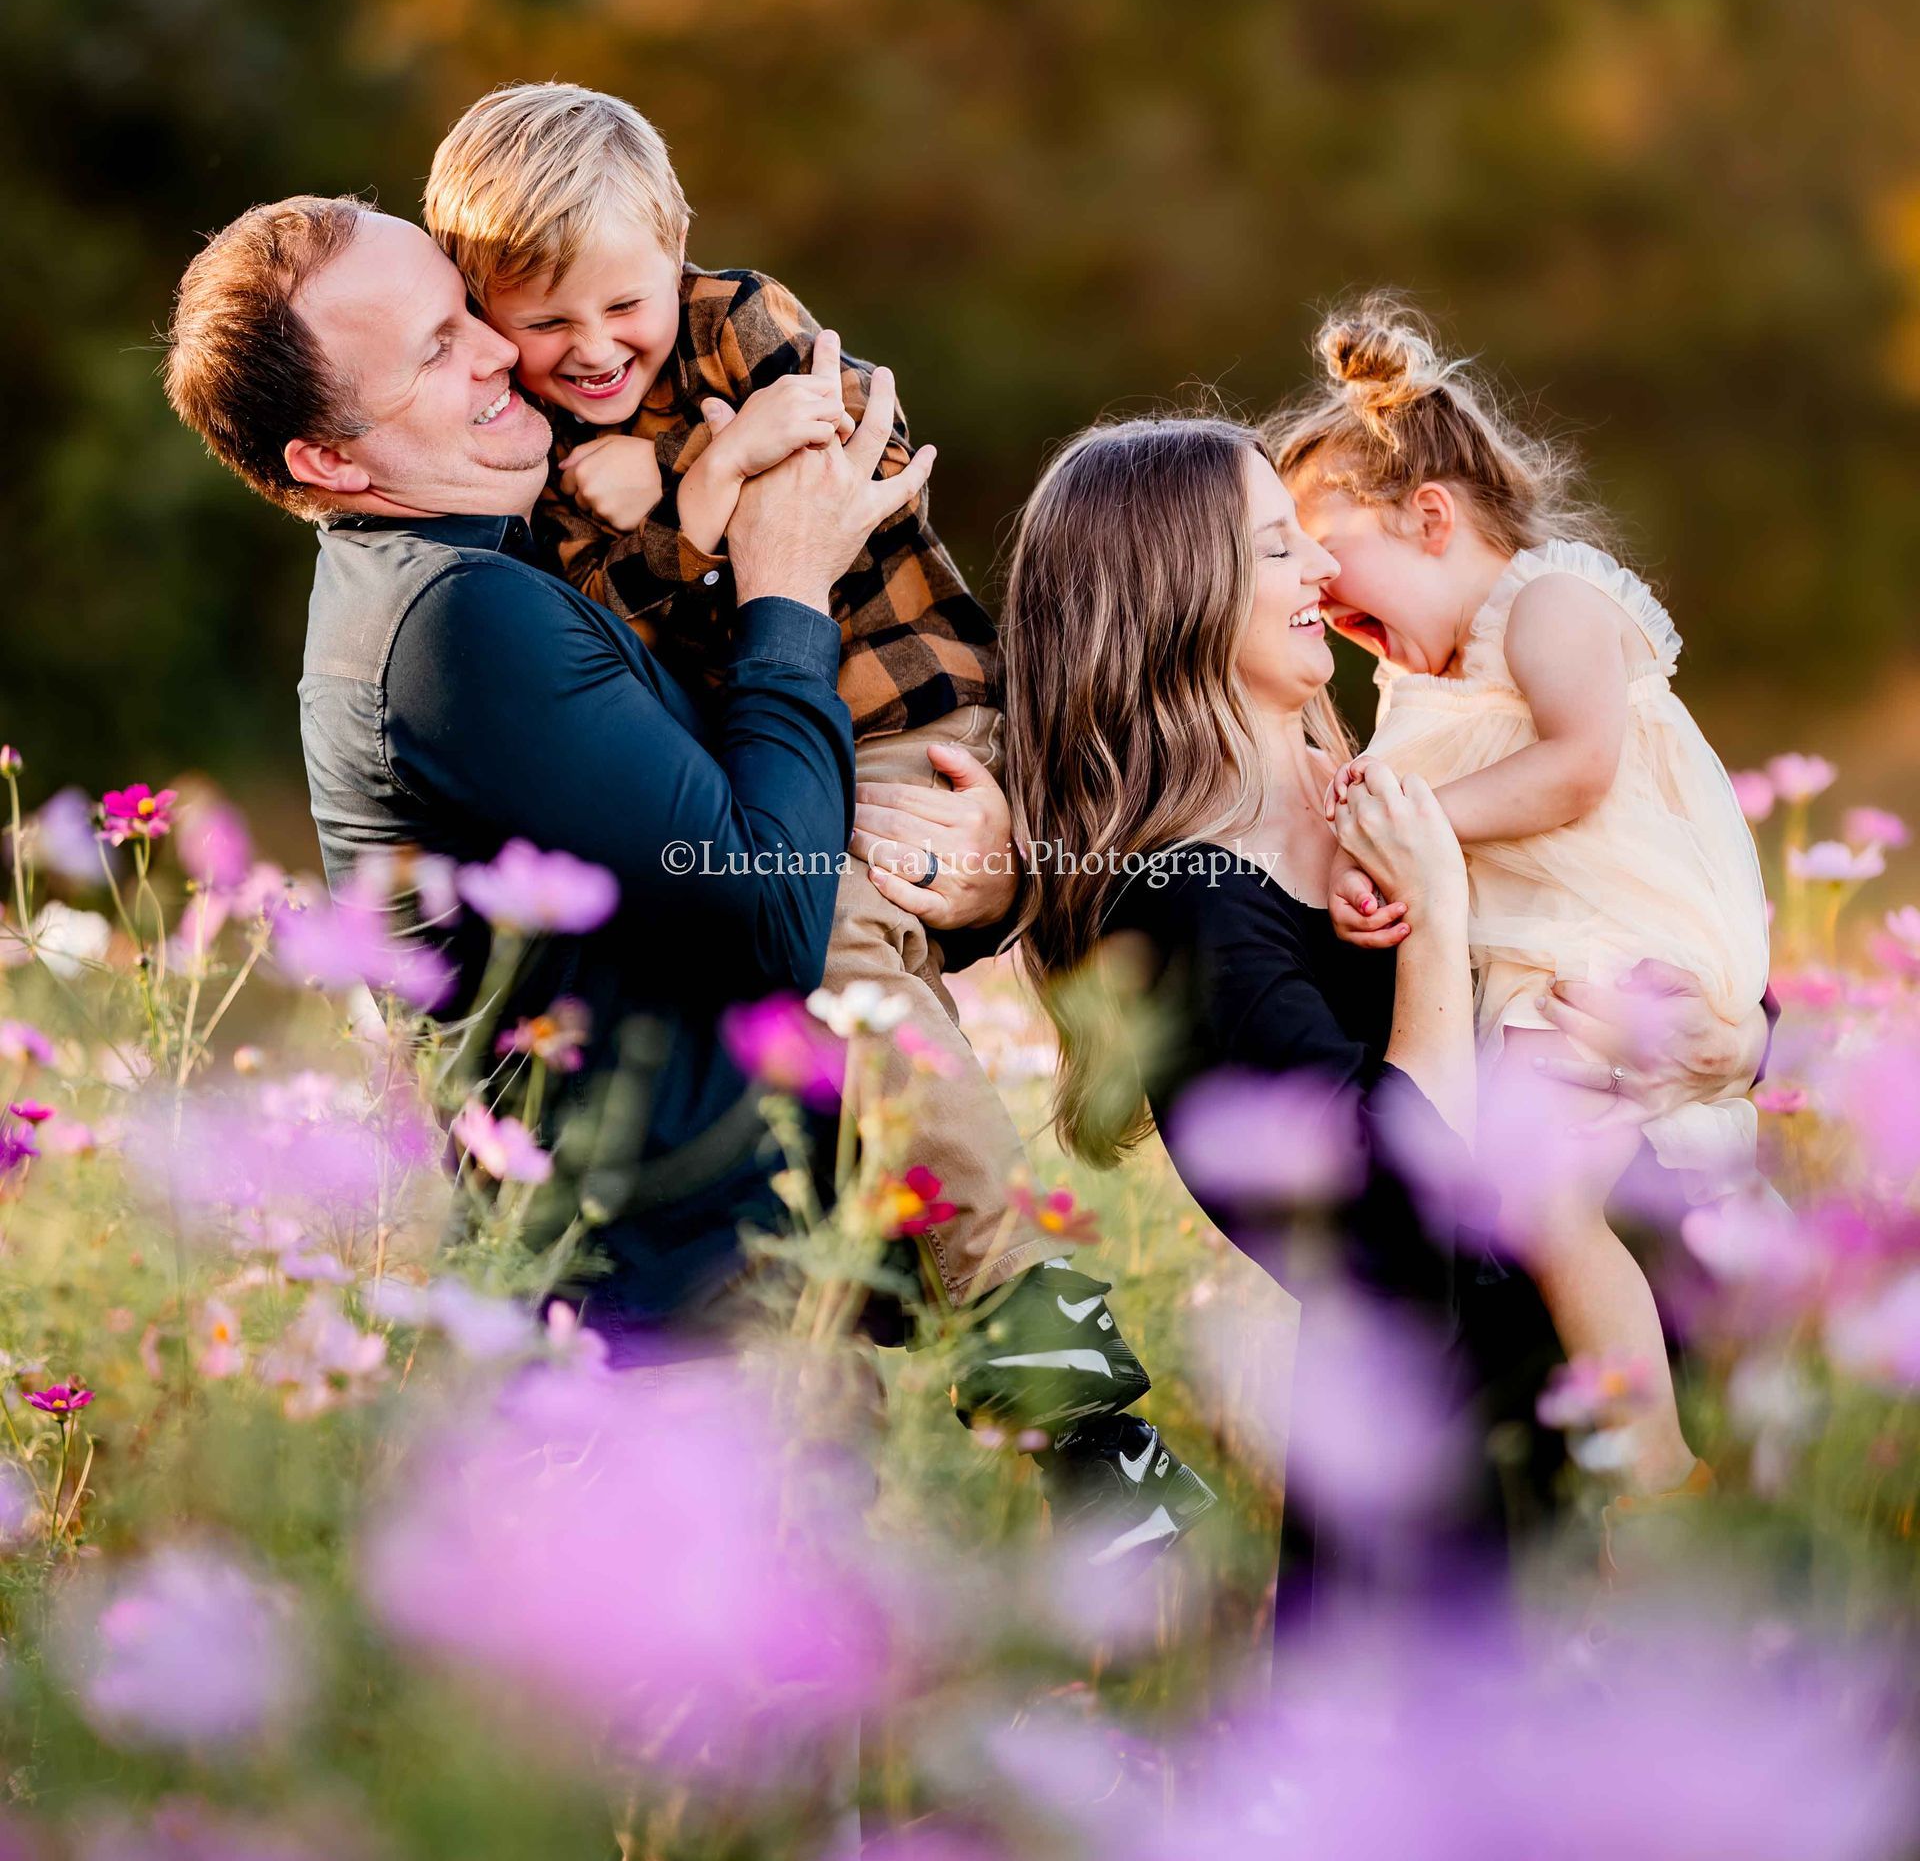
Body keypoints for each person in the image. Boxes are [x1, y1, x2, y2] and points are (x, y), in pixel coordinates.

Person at [421, 80, 1212, 1541]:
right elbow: (629, 646)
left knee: (839, 971)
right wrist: (684, 498)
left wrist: (682, 475)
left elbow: (824, 448)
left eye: (623, 304)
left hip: (914, 719)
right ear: (482, 312)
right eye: (547, 324)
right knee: (815, 1008)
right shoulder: (517, 465)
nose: (594, 348)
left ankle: (1039, 1338)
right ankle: (966, 1369)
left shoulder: (743, 324)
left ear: (678, 253)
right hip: (783, 780)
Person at [996, 414, 1772, 1607]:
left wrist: (1740, 1041)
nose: (1323, 570)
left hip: (1673, 1393)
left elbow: (1634, 890)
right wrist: (1438, 925)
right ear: (1178, 598)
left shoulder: (1394, 777)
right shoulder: (1182, 912)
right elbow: (1390, 1247)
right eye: (1276, 549)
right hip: (1466, 1500)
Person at [162, 194, 919, 1339]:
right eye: (434, 351)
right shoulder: (456, 620)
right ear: (327, 457)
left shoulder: (463, 574)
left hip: (701, 1299)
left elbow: (722, 839)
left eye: (466, 311)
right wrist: (790, 585)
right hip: (674, 1335)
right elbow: (768, 910)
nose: (500, 348)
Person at [1267, 297, 1771, 1502]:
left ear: (1433, 518)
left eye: (1342, 575)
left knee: (1541, 1199)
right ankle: (1700, 1434)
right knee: (1573, 1202)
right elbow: (1422, 849)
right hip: (1544, 959)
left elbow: (1580, 764)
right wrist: (1376, 885)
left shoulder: (1550, 602)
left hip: (1621, 932)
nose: (1335, 615)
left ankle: (1658, 1463)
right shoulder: (1412, 690)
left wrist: (1416, 830)